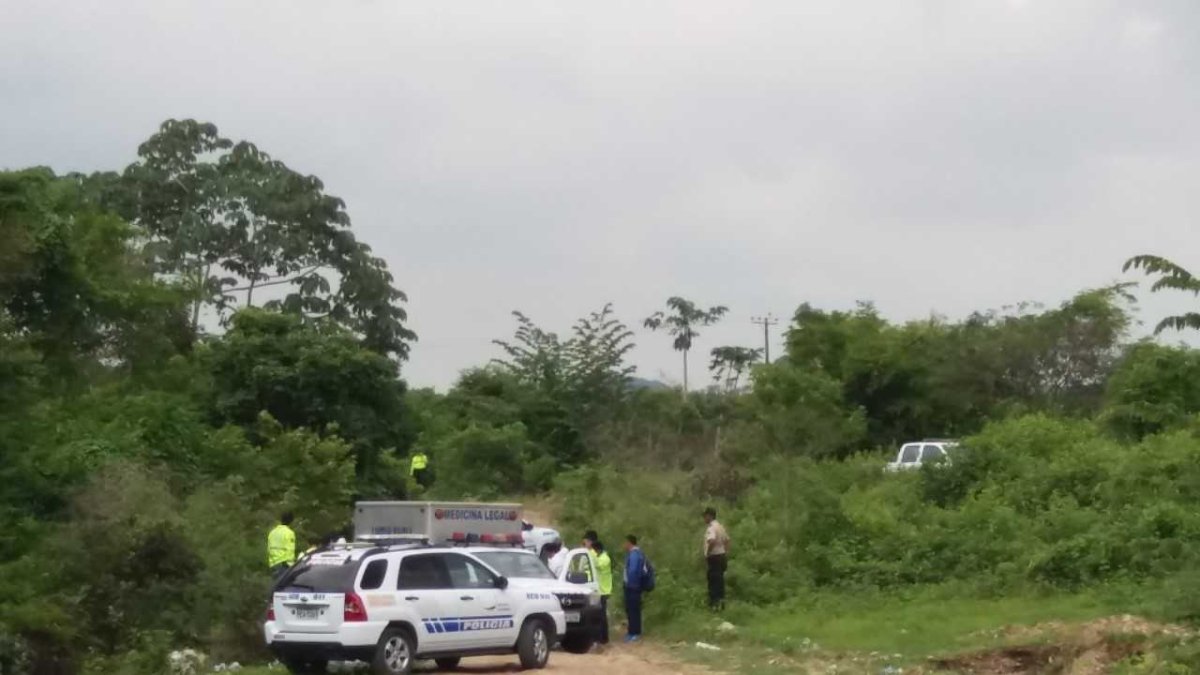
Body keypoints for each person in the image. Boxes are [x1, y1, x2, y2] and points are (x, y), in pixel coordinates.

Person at [584, 531, 613, 645]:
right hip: (596, 590)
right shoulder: (597, 556)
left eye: (586, 542)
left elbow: (597, 565)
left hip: (603, 591)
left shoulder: (604, 558)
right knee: (597, 616)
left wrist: (590, 552)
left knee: (601, 616)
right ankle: (598, 638)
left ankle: (603, 639)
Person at [703, 507, 730, 610]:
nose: (704, 519)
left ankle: (714, 605)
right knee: (720, 581)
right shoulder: (720, 527)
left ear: (710, 516)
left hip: (714, 557)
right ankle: (721, 603)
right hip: (722, 556)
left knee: (713, 581)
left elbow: (712, 540)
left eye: (705, 516)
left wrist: (708, 553)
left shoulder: (711, 528)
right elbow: (727, 540)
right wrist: (725, 552)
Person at [623, 534, 646, 642]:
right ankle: (634, 631)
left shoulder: (634, 555)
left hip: (633, 587)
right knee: (633, 609)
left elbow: (632, 571)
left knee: (633, 610)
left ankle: (634, 632)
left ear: (629, 543)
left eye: (625, 543)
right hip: (635, 586)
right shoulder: (637, 553)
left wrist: (630, 584)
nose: (624, 545)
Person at [267, 511, 297, 579]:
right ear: (291, 521)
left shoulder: (272, 532)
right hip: (284, 565)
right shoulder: (289, 533)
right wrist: (291, 565)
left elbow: (269, 548)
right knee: (284, 588)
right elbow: (290, 550)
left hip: (273, 564)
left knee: (275, 586)